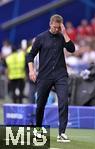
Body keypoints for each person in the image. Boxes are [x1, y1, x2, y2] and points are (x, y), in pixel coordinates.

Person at [27, 14, 75, 142]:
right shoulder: (41, 38)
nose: (56, 30)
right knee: (40, 105)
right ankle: (37, 130)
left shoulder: (62, 36)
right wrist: (31, 71)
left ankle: (62, 133)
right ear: (50, 24)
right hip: (44, 76)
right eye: (54, 27)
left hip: (61, 75)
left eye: (58, 28)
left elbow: (72, 49)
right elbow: (30, 56)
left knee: (64, 101)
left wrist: (64, 33)